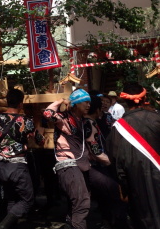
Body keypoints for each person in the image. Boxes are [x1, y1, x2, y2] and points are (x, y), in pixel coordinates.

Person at [107, 82, 160, 229]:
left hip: (136, 187)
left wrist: (123, 187)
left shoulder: (117, 129)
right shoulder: (157, 119)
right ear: (144, 98)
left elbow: (115, 161)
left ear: (124, 100)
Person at [0, 89, 44, 229]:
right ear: (21, 104)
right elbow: (40, 141)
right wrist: (38, 126)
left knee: (11, 198)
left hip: (1, 165)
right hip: (18, 166)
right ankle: (3, 225)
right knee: (27, 200)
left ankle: (9, 226)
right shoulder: (26, 121)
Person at [43, 89, 91, 229]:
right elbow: (47, 113)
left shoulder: (82, 121)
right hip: (67, 164)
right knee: (82, 203)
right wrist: (60, 101)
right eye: (85, 102)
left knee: (75, 204)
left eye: (89, 102)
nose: (88, 105)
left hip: (79, 165)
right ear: (75, 104)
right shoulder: (64, 118)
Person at [84, 94, 129, 229]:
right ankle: (116, 223)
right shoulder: (89, 123)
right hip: (97, 165)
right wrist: (112, 162)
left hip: (97, 165)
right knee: (115, 193)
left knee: (106, 196)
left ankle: (109, 221)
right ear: (97, 109)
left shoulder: (85, 121)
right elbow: (95, 150)